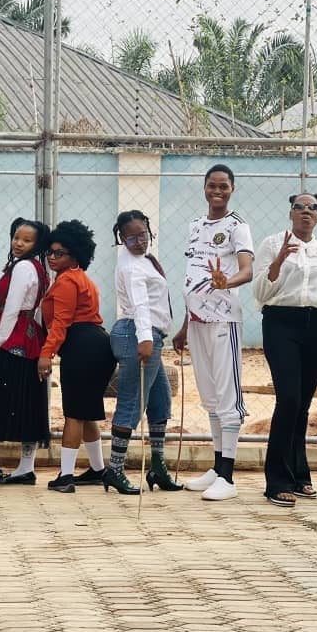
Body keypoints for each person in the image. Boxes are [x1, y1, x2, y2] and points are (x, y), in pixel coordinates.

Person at [254, 194, 317, 507]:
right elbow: (260, 292)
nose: (306, 211)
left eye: (312, 208)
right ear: (290, 213)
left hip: (315, 327)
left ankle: (299, 474)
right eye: (299, 207)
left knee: (302, 405)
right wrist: (278, 261)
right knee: (288, 400)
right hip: (281, 324)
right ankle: (276, 480)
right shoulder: (272, 244)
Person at [173, 164, 254, 502]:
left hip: (223, 321)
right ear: (204, 187)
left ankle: (229, 477)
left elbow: (247, 271)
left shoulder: (238, 226)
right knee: (210, 397)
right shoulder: (195, 226)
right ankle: (217, 467)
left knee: (227, 397)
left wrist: (226, 282)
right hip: (197, 322)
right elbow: (193, 277)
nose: (217, 191)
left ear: (232, 189)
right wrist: (184, 325)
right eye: (212, 185)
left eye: (223, 186)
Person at [0, 217, 52, 486]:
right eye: (16, 237)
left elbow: (12, 308)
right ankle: (25, 467)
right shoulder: (38, 268)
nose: (18, 243)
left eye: (27, 240)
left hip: (15, 338)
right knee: (28, 401)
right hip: (31, 339)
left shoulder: (23, 268)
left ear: (37, 244)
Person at [107, 210, 182, 495]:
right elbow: (140, 304)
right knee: (131, 402)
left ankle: (158, 467)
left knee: (161, 400)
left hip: (151, 335)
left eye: (143, 235)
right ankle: (115, 469)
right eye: (131, 238)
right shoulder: (132, 266)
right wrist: (145, 339)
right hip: (138, 334)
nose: (139, 242)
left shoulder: (143, 259)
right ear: (121, 239)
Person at [39, 220, 117, 493]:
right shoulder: (80, 277)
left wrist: (46, 354)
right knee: (86, 411)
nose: (52, 257)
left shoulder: (66, 281)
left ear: (75, 255)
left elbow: (61, 322)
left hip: (81, 346)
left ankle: (66, 476)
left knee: (73, 413)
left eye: (59, 253)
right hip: (96, 345)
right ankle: (97, 469)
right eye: (50, 251)